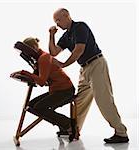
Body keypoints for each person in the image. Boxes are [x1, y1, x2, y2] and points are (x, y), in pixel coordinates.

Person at [48, 8, 129, 143]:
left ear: (66, 15)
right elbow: (53, 52)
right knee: (79, 102)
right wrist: (51, 35)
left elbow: (79, 50)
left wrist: (63, 65)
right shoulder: (66, 36)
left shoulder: (80, 27)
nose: (57, 24)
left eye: (58, 20)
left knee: (104, 101)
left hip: (96, 64)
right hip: (84, 69)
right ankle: (73, 129)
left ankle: (121, 133)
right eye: (55, 22)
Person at [11, 37, 77, 142]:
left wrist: (24, 72)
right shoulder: (39, 59)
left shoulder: (44, 58)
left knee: (39, 107)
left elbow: (41, 82)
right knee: (31, 106)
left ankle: (68, 124)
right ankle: (64, 125)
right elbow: (41, 79)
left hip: (65, 90)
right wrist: (21, 73)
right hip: (57, 90)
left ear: (34, 47)